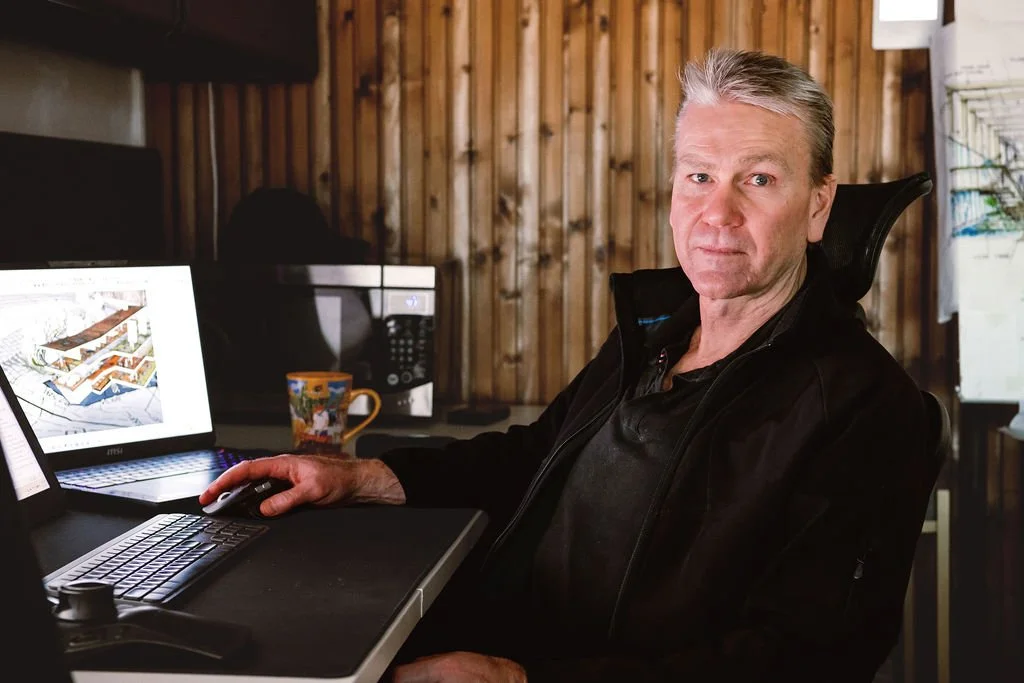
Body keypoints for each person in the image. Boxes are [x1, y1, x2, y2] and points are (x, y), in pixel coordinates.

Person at [200, 48, 935, 683]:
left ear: (818, 206)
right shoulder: (654, 334)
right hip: (505, 639)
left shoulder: (868, 409)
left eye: (760, 179)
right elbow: (533, 456)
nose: (719, 213)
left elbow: (800, 663)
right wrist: (364, 476)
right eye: (699, 176)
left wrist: (523, 679)